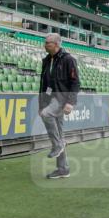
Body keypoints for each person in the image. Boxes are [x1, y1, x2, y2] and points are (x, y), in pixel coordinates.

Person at [38, 33, 80, 179]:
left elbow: (75, 82)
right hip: (48, 99)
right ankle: (63, 169)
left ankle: (57, 145)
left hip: (61, 99)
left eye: (47, 42)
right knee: (60, 135)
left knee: (46, 114)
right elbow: (43, 84)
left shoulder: (68, 59)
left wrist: (70, 102)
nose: (44, 45)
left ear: (56, 44)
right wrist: (41, 104)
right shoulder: (46, 60)